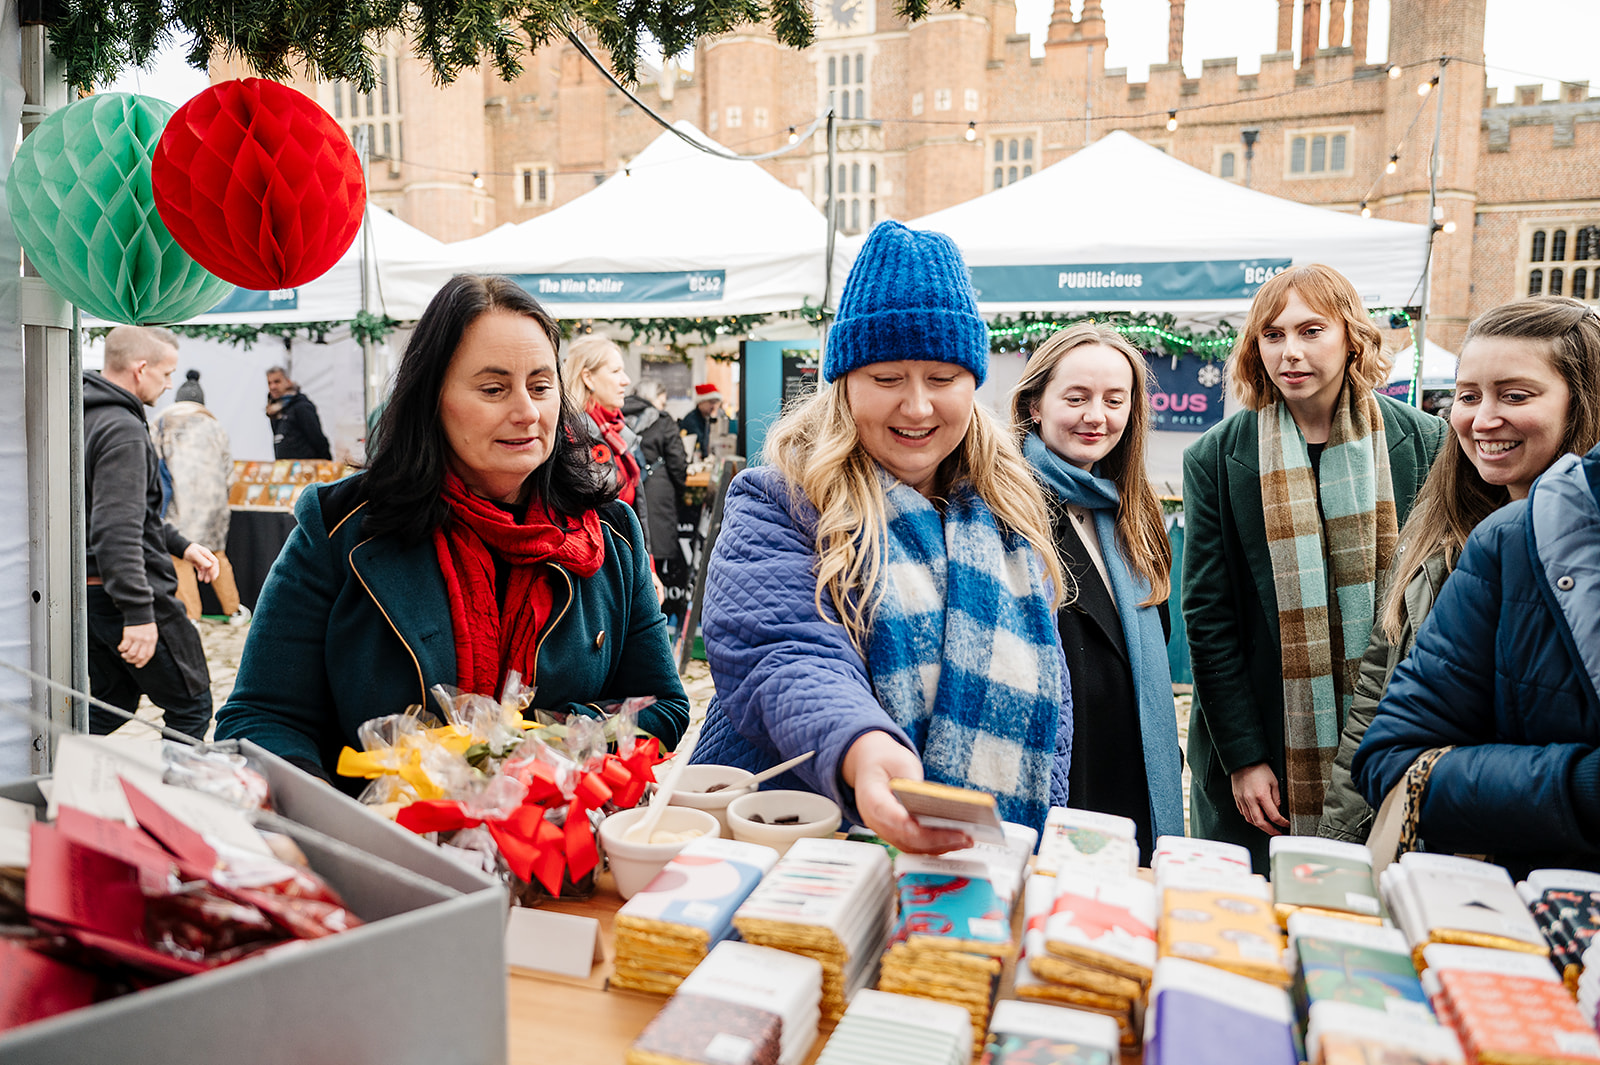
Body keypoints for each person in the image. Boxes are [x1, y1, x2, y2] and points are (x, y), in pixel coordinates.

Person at [215, 276, 689, 788]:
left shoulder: (610, 533)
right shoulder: (340, 527)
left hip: (559, 830)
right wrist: (333, 816)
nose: (527, 412)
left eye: (540, 386)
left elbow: (663, 705)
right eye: (494, 389)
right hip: (378, 831)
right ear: (431, 396)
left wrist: (537, 743)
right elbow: (262, 716)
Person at [691, 221, 1071, 852]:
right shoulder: (779, 499)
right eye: (888, 378)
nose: (917, 407)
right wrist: (863, 748)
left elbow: (1048, 710)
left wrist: (1034, 839)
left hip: (985, 861)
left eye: (942, 379)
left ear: (973, 383)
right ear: (845, 383)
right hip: (804, 848)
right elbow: (783, 651)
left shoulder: (1011, 514)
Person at [1181, 264, 1446, 871]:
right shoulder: (1217, 456)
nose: (1290, 352)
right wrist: (1243, 757)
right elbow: (1208, 616)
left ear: (1351, 337)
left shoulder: (1426, 442)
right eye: (1272, 335)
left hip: (1390, 730)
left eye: (1311, 330)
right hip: (1265, 740)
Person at [1321, 297, 1600, 844]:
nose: (1483, 418)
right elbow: (1376, 700)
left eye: (1515, 396)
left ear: (1583, 401)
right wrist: (1338, 838)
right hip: (1430, 854)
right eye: (1468, 396)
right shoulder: (1437, 532)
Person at [1010, 325, 1182, 861]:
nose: (1096, 416)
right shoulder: (1006, 507)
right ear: (1035, 405)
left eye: (1114, 400)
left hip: (1130, 774)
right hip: (1061, 775)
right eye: (1076, 398)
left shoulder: (1132, 510)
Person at [84, 327, 219, 740]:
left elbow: (127, 512)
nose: (170, 384)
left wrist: (182, 545)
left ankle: (56, 770)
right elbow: (115, 528)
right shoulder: (121, 428)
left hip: (89, 593)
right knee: (192, 706)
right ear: (140, 369)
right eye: (166, 373)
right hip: (123, 593)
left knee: (113, 705)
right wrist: (139, 614)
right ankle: (171, 796)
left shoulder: (81, 413)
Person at [153, 373, 250, 625]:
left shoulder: (162, 422)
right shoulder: (215, 426)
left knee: (181, 556)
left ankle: (191, 617)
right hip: (214, 504)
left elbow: (152, 463)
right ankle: (233, 611)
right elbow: (228, 470)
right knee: (217, 554)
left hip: (179, 503)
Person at [562, 335, 643, 515]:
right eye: (615, 371)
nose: (626, 380)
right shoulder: (571, 434)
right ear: (588, 378)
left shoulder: (617, 430)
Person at [625, 381, 690, 577]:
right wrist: (681, 490)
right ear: (653, 399)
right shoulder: (663, 421)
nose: (663, 407)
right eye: (662, 402)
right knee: (655, 564)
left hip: (624, 490)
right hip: (657, 497)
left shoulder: (616, 415)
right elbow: (677, 462)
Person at [265, 365, 332, 460]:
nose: (273, 387)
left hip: (306, 466)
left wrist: (326, 463)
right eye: (269, 383)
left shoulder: (301, 406)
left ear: (288, 382)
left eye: (277, 382)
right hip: (285, 466)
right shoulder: (274, 411)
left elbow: (317, 439)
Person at [679, 382, 729, 461]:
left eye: (715, 403)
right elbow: (702, 444)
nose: (713, 406)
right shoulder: (691, 420)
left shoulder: (705, 418)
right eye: (711, 402)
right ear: (701, 402)